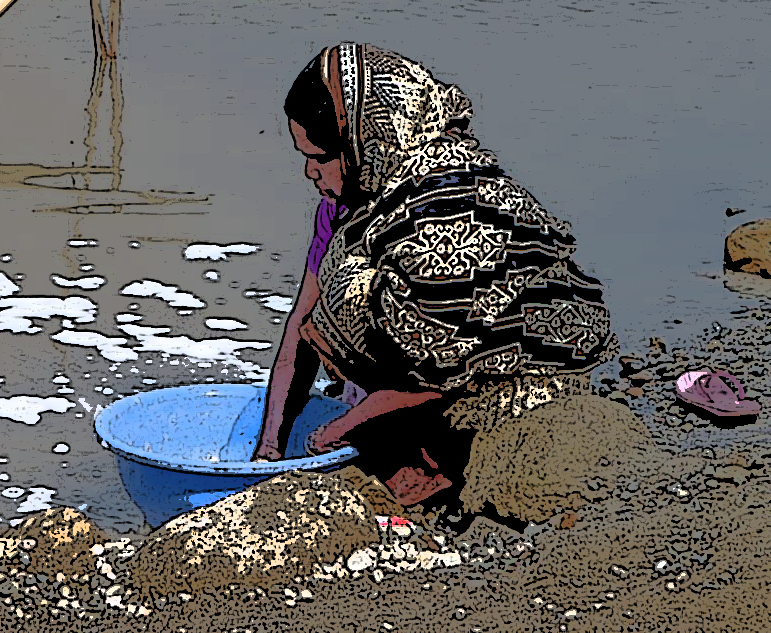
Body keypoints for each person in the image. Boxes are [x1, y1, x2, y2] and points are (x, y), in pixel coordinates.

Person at [253, 43, 619, 515]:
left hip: (520, 391)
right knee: (336, 306)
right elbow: (302, 323)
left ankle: (435, 461)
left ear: (363, 143)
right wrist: (269, 446)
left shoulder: (444, 211)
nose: (308, 172)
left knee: (346, 290)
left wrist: (340, 429)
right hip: (451, 368)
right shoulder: (362, 205)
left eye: (319, 157)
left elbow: (441, 371)